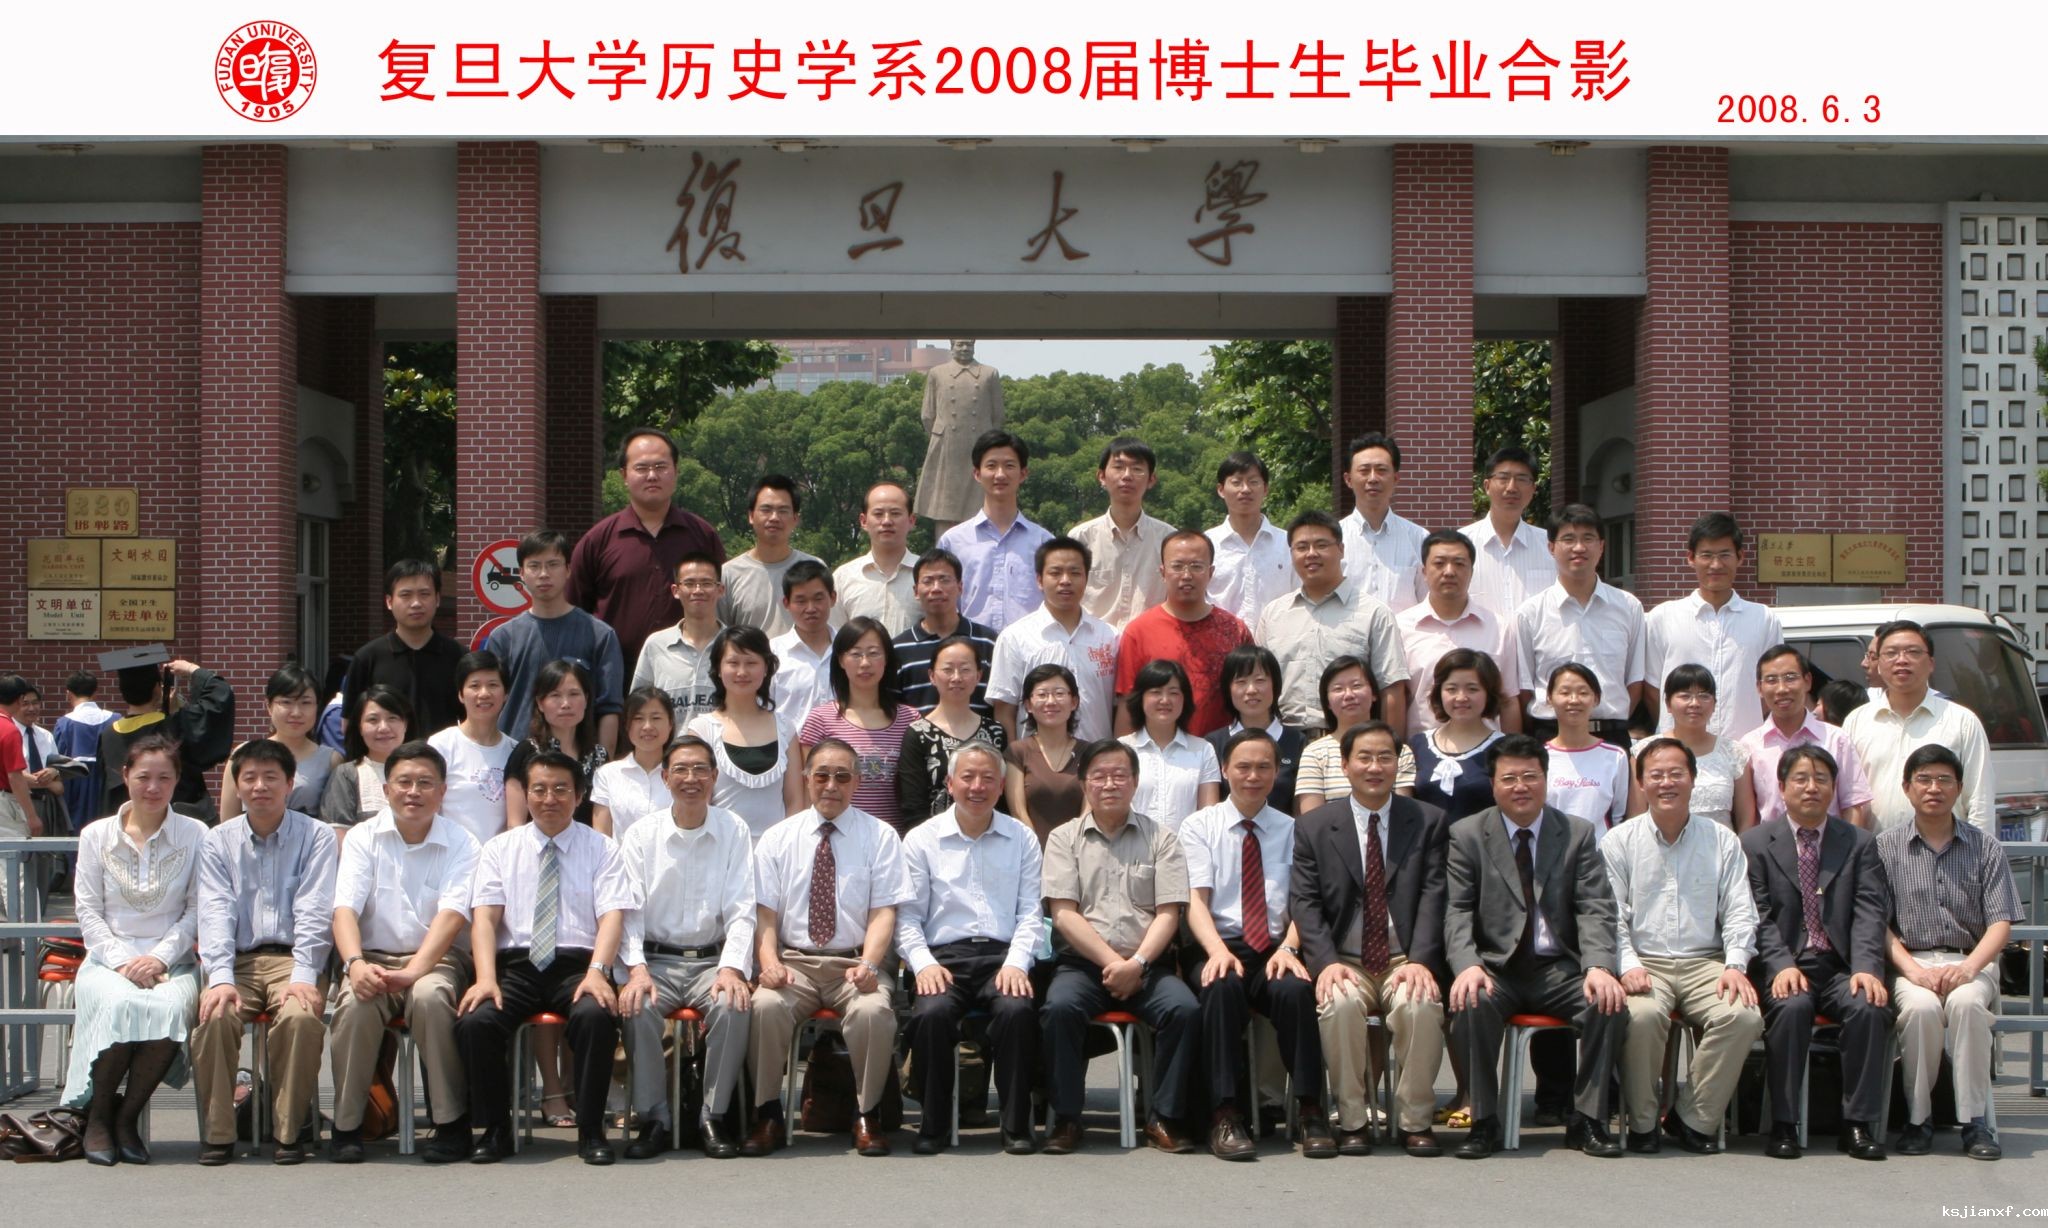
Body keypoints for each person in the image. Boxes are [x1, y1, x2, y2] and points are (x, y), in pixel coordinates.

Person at [1443, 734, 1628, 1160]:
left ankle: (1587, 1119)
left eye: (1530, 776)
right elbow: (1456, 910)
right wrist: (1468, 964)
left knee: (1608, 1003)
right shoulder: (1467, 835)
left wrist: (1599, 966)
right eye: (1509, 778)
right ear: (1493, 785)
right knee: (1470, 1003)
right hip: (1497, 969)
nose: (1520, 787)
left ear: (1546, 780)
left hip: (1558, 969)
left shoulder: (1576, 833)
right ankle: (1484, 1120)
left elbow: (1595, 906)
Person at [456, 750, 635, 1165]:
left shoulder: (602, 848)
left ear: (579, 796)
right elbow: (484, 920)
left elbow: (612, 916)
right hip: (515, 965)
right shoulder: (500, 848)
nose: (549, 798)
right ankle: (496, 1130)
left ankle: (591, 1131)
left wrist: (598, 972)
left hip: (578, 965)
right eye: (539, 789)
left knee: (595, 1016)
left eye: (560, 789)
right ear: (525, 793)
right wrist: (485, 978)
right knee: (476, 1022)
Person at [746, 738, 915, 1158]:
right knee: (764, 1006)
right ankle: (767, 1113)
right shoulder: (778, 838)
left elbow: (884, 913)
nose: (831, 785)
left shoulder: (881, 836)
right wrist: (768, 963)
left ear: (857, 782)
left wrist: (870, 964)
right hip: (794, 962)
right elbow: (764, 915)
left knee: (874, 1011)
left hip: (854, 962)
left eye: (842, 776)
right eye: (821, 775)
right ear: (806, 779)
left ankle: (867, 1113)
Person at [1291, 721, 1450, 1157]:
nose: (1374, 767)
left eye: (1385, 757)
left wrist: (1421, 960)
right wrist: (1325, 962)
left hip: (1403, 956)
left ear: (1398, 764)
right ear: (1345, 765)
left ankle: (1415, 1121)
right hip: (1345, 957)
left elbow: (1435, 896)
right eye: (1364, 757)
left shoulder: (1429, 821)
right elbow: (1305, 902)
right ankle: (1353, 1119)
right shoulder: (1315, 826)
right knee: (1339, 1004)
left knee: (1420, 1004)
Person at [1039, 739, 1201, 1155]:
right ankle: (1067, 1117)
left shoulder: (1162, 838)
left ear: (1135, 782)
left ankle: (1164, 1116)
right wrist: (1115, 963)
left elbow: (1169, 913)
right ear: (1083, 784)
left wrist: (1138, 963)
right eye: (1099, 776)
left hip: (1148, 966)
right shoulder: (1063, 838)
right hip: (1083, 965)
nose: (1109, 784)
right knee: (1059, 1009)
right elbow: (1064, 914)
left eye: (1119, 775)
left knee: (1184, 1010)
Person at [1180, 730, 1335, 1160]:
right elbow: (1195, 901)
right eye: (1243, 767)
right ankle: (1225, 1114)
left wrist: (1289, 949)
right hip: (1217, 943)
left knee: (1296, 991)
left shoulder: (1294, 830)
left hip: (1275, 946)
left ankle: (1310, 1111)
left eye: (1264, 767)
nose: (1253, 776)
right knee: (1220, 987)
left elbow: (1305, 902)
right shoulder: (1199, 826)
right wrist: (1217, 951)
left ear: (1277, 772)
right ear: (1224, 770)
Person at [1602, 738, 1763, 1155]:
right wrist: (1627, 963)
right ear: (1641, 783)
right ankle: (1642, 1124)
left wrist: (1736, 965)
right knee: (1640, 1016)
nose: (1667, 782)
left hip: (1705, 962)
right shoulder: (1619, 841)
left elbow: (1740, 910)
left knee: (1742, 1016)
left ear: (1694, 779)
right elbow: (1610, 915)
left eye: (1677, 773)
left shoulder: (1722, 839)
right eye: (1656, 775)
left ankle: (1692, 1117)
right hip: (1645, 962)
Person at [326, 741, 481, 1164]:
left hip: (437, 960)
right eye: (404, 782)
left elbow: (452, 916)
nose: (414, 792)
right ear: (386, 789)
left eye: (425, 783)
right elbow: (344, 910)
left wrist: (414, 972)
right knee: (355, 1005)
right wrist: (354, 964)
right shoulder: (362, 838)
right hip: (371, 956)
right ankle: (347, 1126)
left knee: (430, 998)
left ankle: (451, 1123)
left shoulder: (462, 842)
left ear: (442, 791)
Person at [1743, 744, 1894, 1161]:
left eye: (1821, 779)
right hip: (1786, 965)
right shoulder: (1755, 843)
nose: (1811, 787)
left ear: (1834, 787)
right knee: (1791, 1008)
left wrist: (1867, 967)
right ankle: (1784, 1124)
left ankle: (1857, 1125)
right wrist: (1780, 965)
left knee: (1869, 1005)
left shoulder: (1858, 842)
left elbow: (1869, 910)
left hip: (1840, 965)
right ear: (1781, 787)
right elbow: (1757, 915)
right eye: (1801, 779)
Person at [191, 739, 338, 1165]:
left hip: (296, 959)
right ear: (236, 785)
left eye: (271, 777)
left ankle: (288, 1132)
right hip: (238, 961)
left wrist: (305, 975)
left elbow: (315, 908)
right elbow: (215, 911)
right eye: (250, 778)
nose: (260, 786)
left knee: (300, 1018)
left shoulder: (317, 836)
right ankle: (218, 1133)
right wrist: (219, 977)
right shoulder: (217, 841)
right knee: (215, 1017)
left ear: (290, 784)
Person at [63, 735, 206, 1166]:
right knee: (120, 1003)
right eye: (144, 776)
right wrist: (125, 961)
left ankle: (126, 1117)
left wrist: (159, 957)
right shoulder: (96, 835)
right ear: (125, 776)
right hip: (109, 959)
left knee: (169, 1009)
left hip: (172, 959)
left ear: (177, 780)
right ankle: (98, 1116)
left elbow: (198, 908)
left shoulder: (195, 834)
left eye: (164, 777)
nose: (153, 787)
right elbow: (88, 910)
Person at [899, 743, 1045, 1154]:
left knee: (1017, 1012)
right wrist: (923, 965)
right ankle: (933, 1124)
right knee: (931, 1014)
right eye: (967, 777)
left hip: (1003, 956)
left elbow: (1031, 913)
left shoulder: (1022, 838)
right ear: (949, 783)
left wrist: (1017, 963)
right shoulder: (922, 839)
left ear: (1001, 786)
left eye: (987, 779)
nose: (977, 786)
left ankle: (1016, 1125)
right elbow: (907, 917)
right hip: (944, 958)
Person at [616, 735, 757, 1161]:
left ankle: (713, 1115)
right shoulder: (642, 835)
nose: (690, 778)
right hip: (656, 960)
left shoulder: (734, 829)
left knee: (733, 1005)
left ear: (715, 776)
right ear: (665, 777)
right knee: (637, 1006)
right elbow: (628, 911)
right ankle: (655, 1118)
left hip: (713, 960)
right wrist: (636, 969)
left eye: (700, 769)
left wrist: (732, 969)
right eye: (680, 769)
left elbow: (742, 909)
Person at [1879, 744, 2023, 1161]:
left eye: (1944, 780)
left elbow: (2001, 922)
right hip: (1912, 963)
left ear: (1959, 788)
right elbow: (1878, 925)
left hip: (1970, 960)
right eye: (1924, 779)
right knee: (1921, 1009)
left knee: (1967, 1005)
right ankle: (1918, 1119)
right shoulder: (1886, 848)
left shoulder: (1985, 847)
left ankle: (1975, 1122)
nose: (1934, 788)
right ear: (1907, 788)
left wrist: (1970, 967)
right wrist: (1911, 970)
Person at [567, 426, 727, 672]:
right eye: (641, 468)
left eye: (661, 467)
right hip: (614, 675)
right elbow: (575, 610)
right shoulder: (597, 541)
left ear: (676, 471)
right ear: (624, 475)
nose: (652, 476)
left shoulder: (703, 536)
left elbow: (721, 604)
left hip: (689, 672)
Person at [1256, 510, 1411, 737]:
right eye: (1301, 547)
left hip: (1352, 741)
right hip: (1285, 742)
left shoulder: (1374, 613)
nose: (1311, 554)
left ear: (1341, 549)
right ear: (1291, 554)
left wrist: (1390, 747)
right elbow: (1260, 685)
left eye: (1321, 545)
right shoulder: (1273, 615)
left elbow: (1391, 688)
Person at [1842, 619, 1994, 833]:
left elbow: (1980, 799)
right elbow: (1847, 795)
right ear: (1879, 663)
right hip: (1874, 849)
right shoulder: (1857, 721)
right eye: (1891, 653)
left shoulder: (1962, 721)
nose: (1901, 660)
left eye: (1913, 652)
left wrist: (1979, 849)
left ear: (1931, 663)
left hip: (1945, 850)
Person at [1514, 505, 1645, 746]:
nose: (1579, 547)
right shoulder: (1531, 613)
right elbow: (1524, 688)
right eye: (1568, 539)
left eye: (1588, 538)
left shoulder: (1628, 607)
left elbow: (1635, 681)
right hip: (1550, 736)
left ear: (1601, 546)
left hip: (1612, 736)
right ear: (1551, 547)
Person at [1643, 514, 1781, 740]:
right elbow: (1652, 688)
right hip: (1678, 750)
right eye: (1706, 555)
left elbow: (1771, 686)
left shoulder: (1764, 619)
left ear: (1740, 557)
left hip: (1743, 746)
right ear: (1691, 558)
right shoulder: (1663, 617)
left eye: (1725, 555)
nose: (1716, 565)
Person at [489, 529, 626, 754]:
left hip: (579, 761)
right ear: (521, 573)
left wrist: (603, 765)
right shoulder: (503, 637)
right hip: (514, 757)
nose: (544, 574)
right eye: (534, 566)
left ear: (568, 569)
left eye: (553, 564)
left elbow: (609, 708)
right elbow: (491, 706)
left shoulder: (600, 635)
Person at [1116, 530, 1253, 738]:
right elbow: (1128, 703)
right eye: (1177, 566)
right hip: (1161, 751)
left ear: (1211, 572)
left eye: (1196, 566)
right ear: (1163, 572)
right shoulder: (1139, 632)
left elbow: (1251, 698)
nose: (1186, 575)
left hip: (1225, 749)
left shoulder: (1234, 630)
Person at [987, 536, 1119, 744]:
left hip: (1098, 758)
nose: (1065, 580)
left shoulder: (1110, 637)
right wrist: (1014, 759)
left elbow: (1119, 706)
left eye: (1075, 573)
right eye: (1055, 573)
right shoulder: (1014, 637)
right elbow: (1004, 710)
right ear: (1039, 580)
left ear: (1086, 579)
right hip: (1036, 760)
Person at [799, 618, 922, 835]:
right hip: (837, 838)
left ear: (886, 659)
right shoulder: (820, 720)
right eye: (856, 654)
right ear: (841, 660)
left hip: (893, 839)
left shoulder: (910, 719)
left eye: (874, 653)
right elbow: (807, 791)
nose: (865, 663)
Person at [1398, 529, 1522, 737]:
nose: (1449, 571)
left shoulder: (1499, 628)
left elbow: (1508, 699)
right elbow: (1397, 699)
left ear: (1472, 571)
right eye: (1439, 563)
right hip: (1421, 749)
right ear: (1424, 571)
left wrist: (1512, 751)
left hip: (1486, 750)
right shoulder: (1401, 628)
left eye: (1459, 563)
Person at [685, 626, 806, 840]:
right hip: (721, 848)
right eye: (733, 663)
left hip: (776, 852)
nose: (742, 672)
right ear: (718, 668)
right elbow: (699, 801)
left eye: (751, 663)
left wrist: (787, 848)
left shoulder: (786, 728)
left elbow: (795, 801)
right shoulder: (702, 730)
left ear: (766, 668)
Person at [1739, 645, 1875, 827]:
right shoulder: (1749, 745)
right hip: (1770, 844)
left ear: (1807, 681)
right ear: (1759, 688)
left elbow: (1853, 805)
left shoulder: (1836, 739)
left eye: (1790, 678)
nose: (1782, 689)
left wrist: (1849, 845)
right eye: (1771, 680)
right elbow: (1747, 817)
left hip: (1830, 842)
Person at [938, 430, 1054, 635]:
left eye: (1009, 465)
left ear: (1023, 474)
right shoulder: (953, 542)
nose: (1000, 474)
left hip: (1027, 648)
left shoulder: (1044, 542)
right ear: (977, 474)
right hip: (969, 647)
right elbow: (944, 603)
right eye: (991, 466)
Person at [95, 656, 235, 821]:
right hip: (182, 823)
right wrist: (191, 669)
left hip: (130, 825)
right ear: (157, 689)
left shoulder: (107, 736)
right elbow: (219, 698)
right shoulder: (176, 726)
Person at [341, 559, 467, 737]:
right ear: (389, 601)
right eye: (406, 595)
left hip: (442, 755)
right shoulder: (367, 658)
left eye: (424, 594)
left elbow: (471, 721)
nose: (416, 603)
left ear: (437, 599)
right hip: (385, 754)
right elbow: (350, 724)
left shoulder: (459, 657)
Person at [896, 636, 1009, 828]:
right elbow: (913, 806)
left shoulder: (995, 732)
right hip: (934, 838)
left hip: (989, 836)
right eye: (948, 670)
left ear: (978, 676)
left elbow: (1002, 799)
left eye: (965, 670)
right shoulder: (918, 734)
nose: (956, 678)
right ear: (932, 676)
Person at [1628, 664, 1757, 831]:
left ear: (1714, 704)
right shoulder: (1643, 751)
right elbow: (1636, 816)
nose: (1695, 703)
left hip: (1721, 846)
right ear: (1668, 704)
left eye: (1704, 696)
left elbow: (1746, 818)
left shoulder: (1735, 753)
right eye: (1685, 696)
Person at [1068, 437, 1173, 629]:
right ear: (1101, 476)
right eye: (1118, 467)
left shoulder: (1168, 539)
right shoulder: (1081, 538)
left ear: (1151, 479)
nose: (1127, 476)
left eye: (1137, 469)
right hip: (1092, 642)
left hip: (1149, 642)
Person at [220, 665, 341, 821]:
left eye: (305, 703)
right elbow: (228, 821)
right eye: (286, 702)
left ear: (317, 707)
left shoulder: (331, 760)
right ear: (269, 706)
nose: (296, 712)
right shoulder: (243, 754)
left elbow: (334, 821)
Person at [1399, 650, 1507, 821]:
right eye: (1451, 689)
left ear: (1488, 693)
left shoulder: (1504, 748)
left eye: (1472, 689)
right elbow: (1403, 805)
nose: (1461, 697)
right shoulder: (1418, 744)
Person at [1118, 659, 1222, 835]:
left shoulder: (1203, 750)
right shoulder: (1121, 749)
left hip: (1185, 849)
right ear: (1140, 698)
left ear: (1184, 699)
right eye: (1156, 692)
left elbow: (1209, 816)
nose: (1165, 700)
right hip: (1132, 849)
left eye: (1173, 693)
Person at [504, 659, 609, 831]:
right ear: (540, 703)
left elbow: (602, 825)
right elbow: (515, 824)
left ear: (586, 699)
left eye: (574, 694)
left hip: (588, 846)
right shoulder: (526, 752)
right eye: (555, 695)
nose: (566, 704)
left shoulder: (599, 756)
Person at [427, 650, 517, 848]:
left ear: (506, 694)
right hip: (452, 857)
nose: (484, 693)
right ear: (461, 694)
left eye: (493, 685)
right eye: (474, 686)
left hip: (498, 860)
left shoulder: (515, 751)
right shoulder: (441, 745)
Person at [894, 548, 999, 716]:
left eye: (944, 580)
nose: (936, 588)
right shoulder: (898, 649)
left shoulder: (989, 642)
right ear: (916, 591)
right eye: (928, 581)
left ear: (960, 587)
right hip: (916, 733)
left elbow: (1001, 705)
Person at [916, 340, 1005, 536]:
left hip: (979, 447)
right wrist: (941, 438)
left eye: (968, 345)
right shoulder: (937, 373)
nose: (965, 349)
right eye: (960, 345)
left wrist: (988, 443)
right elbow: (927, 415)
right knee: (945, 509)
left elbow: (998, 415)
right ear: (952, 347)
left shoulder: (989, 373)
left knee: (981, 504)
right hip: (947, 447)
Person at [1460, 446, 1557, 625]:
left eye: (1522, 479)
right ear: (1487, 486)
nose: (1512, 488)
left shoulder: (1551, 546)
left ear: (1533, 489)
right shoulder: (1461, 544)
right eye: (1503, 478)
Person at [629, 553, 727, 728]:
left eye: (706, 583)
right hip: (670, 746)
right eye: (689, 583)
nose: (698, 590)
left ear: (720, 590)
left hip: (723, 745)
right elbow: (637, 706)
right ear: (676, 591)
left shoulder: (736, 645)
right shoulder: (656, 645)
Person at [718, 474, 823, 637]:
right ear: (751, 516)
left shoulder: (814, 567)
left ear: (795, 518)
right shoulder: (728, 574)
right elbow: (720, 636)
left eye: (783, 511)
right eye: (766, 510)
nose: (774, 518)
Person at [1205, 645, 1304, 812]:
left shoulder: (1297, 741)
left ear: (1275, 685)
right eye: (1241, 682)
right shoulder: (1213, 743)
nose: (1251, 690)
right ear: (1228, 689)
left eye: (1260, 680)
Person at [1338, 433, 1428, 612]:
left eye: (1381, 470)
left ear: (1395, 479)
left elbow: (1428, 603)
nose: (1373, 478)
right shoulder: (1334, 538)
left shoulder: (1419, 538)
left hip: (1402, 631)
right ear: (1348, 480)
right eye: (1364, 471)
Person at [1541, 664, 1631, 837]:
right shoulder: (1539, 756)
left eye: (1583, 693)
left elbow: (1618, 816)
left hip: (1600, 851)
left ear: (1596, 699)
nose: (1574, 700)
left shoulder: (1615, 756)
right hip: (1553, 850)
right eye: (1565, 693)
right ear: (1549, 698)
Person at [1205, 451, 1293, 629]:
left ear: (1265, 489)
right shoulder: (1206, 544)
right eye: (1236, 482)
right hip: (1219, 641)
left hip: (1277, 641)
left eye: (1253, 482)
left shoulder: (1288, 544)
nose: (1245, 489)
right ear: (1221, 490)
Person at [1003, 663, 1086, 845]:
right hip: (1030, 850)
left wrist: (1067, 850)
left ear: (1074, 702)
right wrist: (1036, 850)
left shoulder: (1089, 753)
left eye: (1059, 693)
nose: (1051, 701)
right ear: (1028, 705)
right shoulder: (1017, 752)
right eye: (1042, 695)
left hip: (1077, 849)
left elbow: (1088, 813)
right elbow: (1018, 811)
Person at [319, 685, 416, 830]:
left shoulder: (426, 770)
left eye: (392, 718)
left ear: (405, 724)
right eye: (373, 720)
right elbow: (338, 832)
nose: (383, 728)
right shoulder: (347, 774)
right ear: (360, 727)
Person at [1293, 657, 1381, 814]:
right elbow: (1312, 820)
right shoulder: (1315, 753)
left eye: (1356, 686)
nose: (1349, 695)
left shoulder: (1396, 750)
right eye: (1338, 689)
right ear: (1327, 702)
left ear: (1374, 693)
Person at [834, 482, 918, 636]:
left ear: (911, 520)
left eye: (895, 513)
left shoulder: (928, 576)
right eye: (878, 514)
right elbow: (834, 635)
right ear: (864, 521)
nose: (887, 521)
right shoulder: (843, 577)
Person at [590, 686, 674, 840]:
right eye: (638, 718)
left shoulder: (683, 774)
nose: (647, 726)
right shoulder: (607, 774)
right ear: (627, 725)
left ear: (670, 724)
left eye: (656, 718)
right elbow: (601, 835)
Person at [768, 559, 839, 719]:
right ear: (786, 603)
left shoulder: (849, 649)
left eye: (818, 599)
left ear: (833, 598)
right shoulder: (772, 653)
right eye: (801, 601)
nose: (811, 608)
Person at [53, 669, 116, 837]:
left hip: (74, 783)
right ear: (95, 692)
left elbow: (58, 758)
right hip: (107, 782)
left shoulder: (64, 724)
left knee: (77, 832)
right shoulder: (115, 719)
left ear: (68, 693)